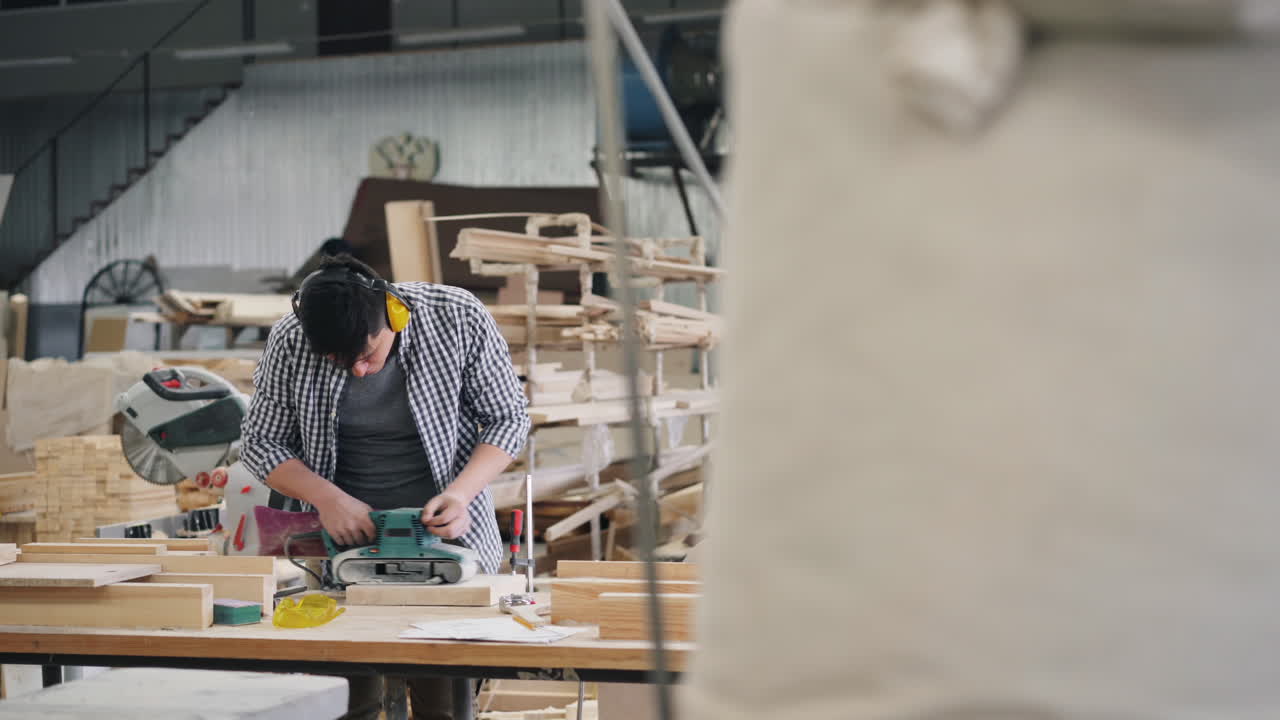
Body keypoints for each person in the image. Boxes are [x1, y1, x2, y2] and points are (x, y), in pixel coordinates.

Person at [240, 254, 530, 720]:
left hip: (445, 542)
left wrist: (462, 494)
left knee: (444, 702)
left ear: (394, 314)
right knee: (347, 698)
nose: (357, 370)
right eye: (339, 360)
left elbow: (508, 418)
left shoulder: (456, 317)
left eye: (367, 354)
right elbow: (259, 441)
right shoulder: (290, 341)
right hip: (343, 547)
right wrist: (327, 499)